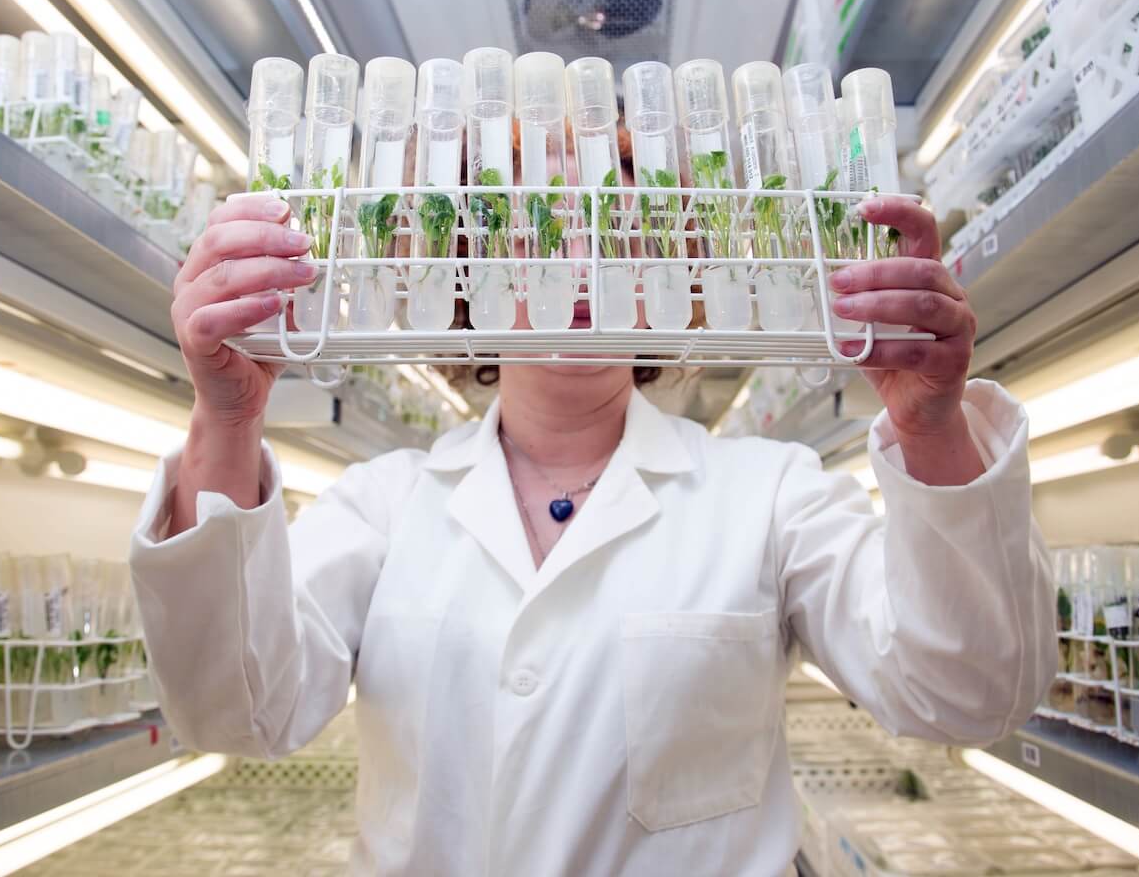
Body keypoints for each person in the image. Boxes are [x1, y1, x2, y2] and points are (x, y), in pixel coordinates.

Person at [132, 180, 1056, 875]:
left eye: (620, 229)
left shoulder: (768, 492)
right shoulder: (386, 504)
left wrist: (932, 425)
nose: (581, 258)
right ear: (470, 269)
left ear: (669, 273)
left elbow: (966, 695)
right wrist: (226, 417)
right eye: (538, 224)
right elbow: (235, 713)